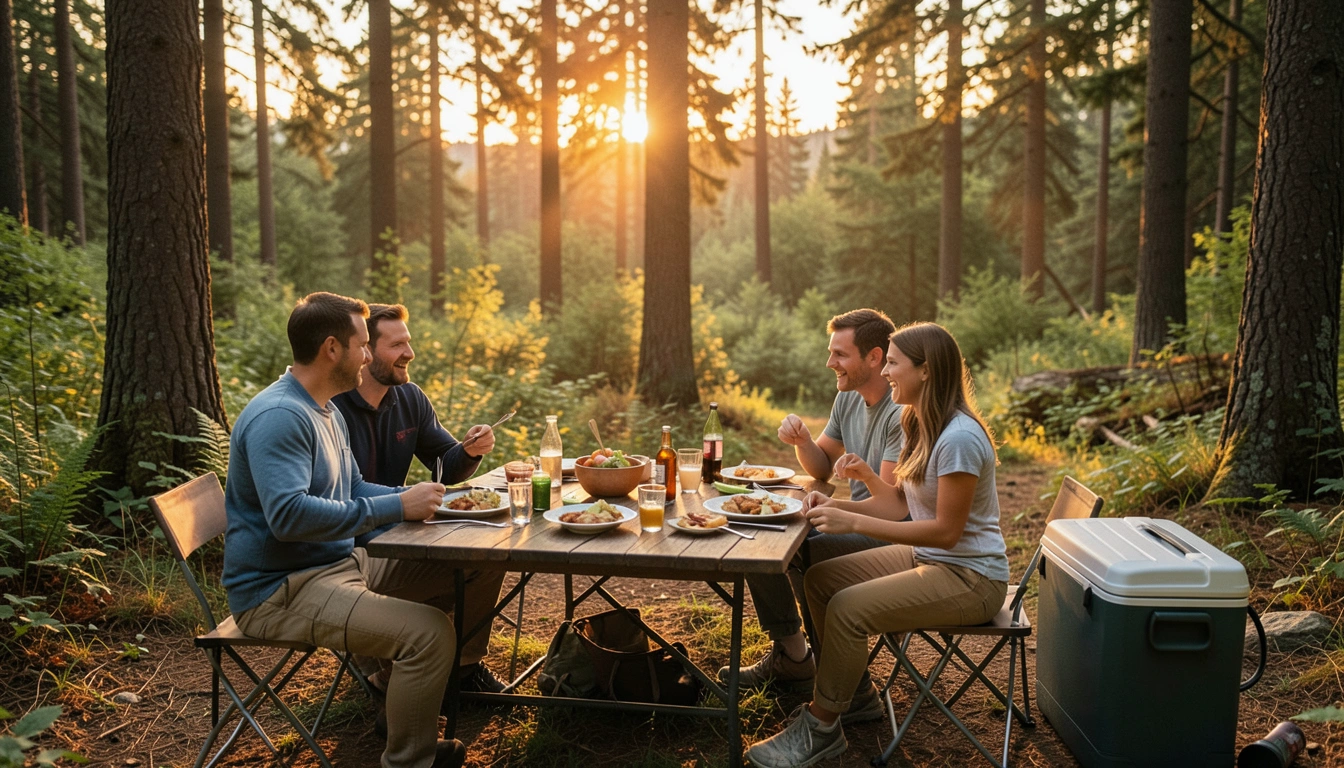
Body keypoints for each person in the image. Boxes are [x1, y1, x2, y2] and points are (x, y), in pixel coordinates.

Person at [745, 322, 1010, 768]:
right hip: (935, 559)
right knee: (821, 579)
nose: (886, 372)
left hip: (972, 577)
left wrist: (848, 516)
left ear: (925, 371)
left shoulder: (960, 438)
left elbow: (945, 531)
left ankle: (823, 726)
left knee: (848, 608)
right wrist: (861, 485)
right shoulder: (920, 421)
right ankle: (856, 696)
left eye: (893, 363)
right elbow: (899, 506)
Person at [222, 292, 465, 768]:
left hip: (335, 565)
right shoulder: (281, 417)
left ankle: (429, 693)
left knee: (459, 564)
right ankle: (410, 760)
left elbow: (351, 485)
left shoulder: (324, 407)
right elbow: (289, 517)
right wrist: (395, 505)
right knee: (429, 634)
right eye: (363, 344)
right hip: (279, 591)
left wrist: (417, 502)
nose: (369, 355)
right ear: (332, 348)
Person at [721, 309, 903, 718]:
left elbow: (892, 507)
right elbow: (821, 468)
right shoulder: (847, 397)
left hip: (894, 535)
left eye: (840, 354)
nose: (829, 363)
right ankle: (793, 654)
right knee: (759, 529)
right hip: (861, 517)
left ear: (874, 357)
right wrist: (803, 441)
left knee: (801, 550)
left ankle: (852, 689)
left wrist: (833, 507)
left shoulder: (899, 411)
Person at [333, 304, 508, 695]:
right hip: (353, 552)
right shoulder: (331, 409)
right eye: (396, 345)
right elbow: (337, 495)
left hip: (401, 536)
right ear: (365, 352)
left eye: (408, 342)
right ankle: (390, 667)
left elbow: (444, 463)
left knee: (488, 554)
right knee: (466, 568)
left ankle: (462, 670)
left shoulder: (409, 397)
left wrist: (471, 450)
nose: (409, 353)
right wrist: (403, 500)